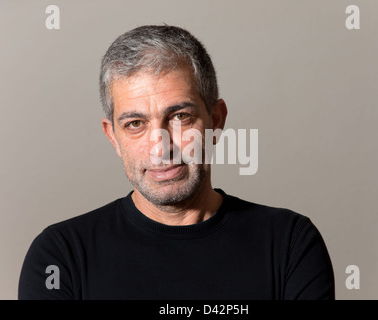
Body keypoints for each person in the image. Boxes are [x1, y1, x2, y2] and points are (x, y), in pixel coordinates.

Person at [18, 25, 335, 300]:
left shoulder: (289, 243)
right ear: (113, 136)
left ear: (216, 120)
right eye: (135, 124)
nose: (160, 147)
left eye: (180, 117)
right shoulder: (61, 256)